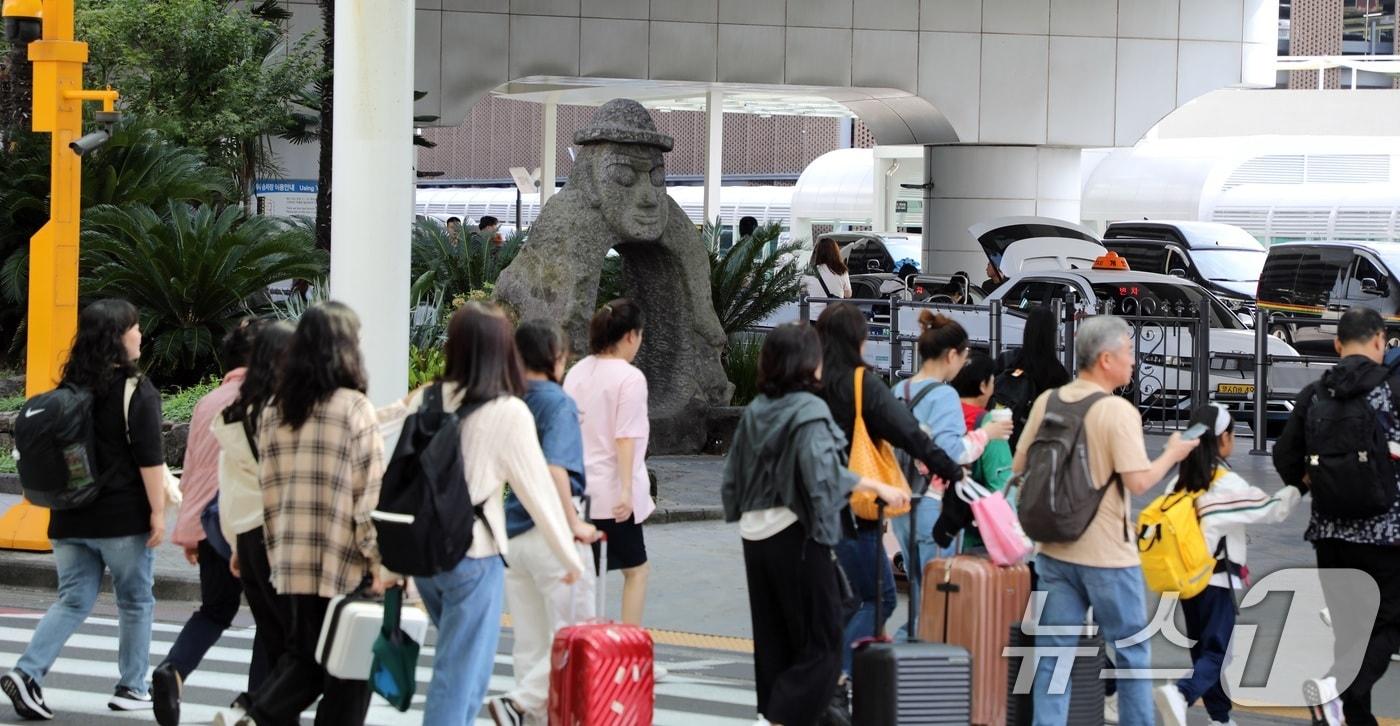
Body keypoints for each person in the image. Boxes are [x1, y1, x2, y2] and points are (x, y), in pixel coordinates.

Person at [722, 323, 912, 726]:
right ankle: (777, 717)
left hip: (755, 532)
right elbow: (820, 471)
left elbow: (733, 476)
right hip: (796, 533)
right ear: (808, 362)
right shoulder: (809, 408)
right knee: (823, 642)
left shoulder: (758, 407)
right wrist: (873, 484)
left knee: (775, 638)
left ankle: (774, 712)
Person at [1016, 314, 1198, 726]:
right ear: (1105, 360)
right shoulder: (1117, 411)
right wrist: (1172, 453)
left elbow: (1020, 464)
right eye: (1128, 352)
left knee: (1053, 658)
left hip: (1053, 551)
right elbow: (1138, 483)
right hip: (1108, 558)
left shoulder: (1049, 401)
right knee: (1133, 652)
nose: (1133, 361)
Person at [213, 302, 385, 726]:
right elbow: (368, 496)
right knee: (349, 675)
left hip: (291, 564)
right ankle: (256, 715)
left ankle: (254, 714)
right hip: (344, 561)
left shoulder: (275, 412)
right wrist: (379, 561)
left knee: (307, 661)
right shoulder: (353, 408)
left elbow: (269, 494)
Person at [2, 299, 165, 720]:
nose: (140, 334)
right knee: (135, 601)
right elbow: (150, 459)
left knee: (73, 600)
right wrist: (159, 513)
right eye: (134, 327)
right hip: (121, 520)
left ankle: (28, 671)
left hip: (67, 519)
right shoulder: (136, 389)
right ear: (118, 336)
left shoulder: (67, 390)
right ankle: (132, 686)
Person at [812, 302, 964, 697]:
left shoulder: (810, 381)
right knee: (875, 596)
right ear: (858, 339)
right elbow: (910, 434)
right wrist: (952, 470)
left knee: (839, 601)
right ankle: (833, 678)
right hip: (852, 508)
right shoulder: (862, 383)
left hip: (804, 508)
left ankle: (840, 677)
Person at [1273, 306, 1400, 726]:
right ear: (1380, 341)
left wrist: (1314, 484)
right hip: (1387, 536)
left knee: (1350, 633)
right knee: (1389, 624)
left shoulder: (1315, 394)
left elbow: (1285, 455)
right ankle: (1336, 689)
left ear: (1337, 344)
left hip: (1329, 534)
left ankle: (1346, 716)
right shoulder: (1393, 391)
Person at [1155, 404, 1300, 726]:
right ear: (1224, 439)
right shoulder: (1223, 484)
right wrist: (1300, 486)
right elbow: (1272, 509)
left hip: (1186, 582)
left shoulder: (1178, 481)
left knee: (1204, 650)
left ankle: (1220, 718)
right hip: (1216, 583)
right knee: (1218, 653)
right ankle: (1182, 694)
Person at [487, 319, 601, 726]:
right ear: (554, 357)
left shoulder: (507, 400)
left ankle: (527, 714)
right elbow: (556, 470)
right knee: (576, 634)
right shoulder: (557, 401)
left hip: (513, 535)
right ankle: (519, 703)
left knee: (531, 645)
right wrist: (574, 525)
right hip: (549, 532)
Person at [151, 319, 265, 726]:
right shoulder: (269, 399)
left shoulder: (208, 401)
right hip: (253, 528)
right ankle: (256, 706)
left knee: (215, 610)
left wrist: (190, 533)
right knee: (271, 621)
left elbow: (195, 468)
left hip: (211, 525)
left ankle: (173, 670)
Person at [890, 313, 1011, 634]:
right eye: (964, 355)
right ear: (951, 355)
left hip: (901, 504)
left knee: (920, 589)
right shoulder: (943, 396)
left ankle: (907, 663)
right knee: (936, 595)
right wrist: (989, 434)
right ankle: (916, 661)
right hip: (934, 506)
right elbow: (951, 454)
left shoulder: (898, 390)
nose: (964, 364)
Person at [212, 320, 296, 726]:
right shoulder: (285, 414)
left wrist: (233, 545)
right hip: (282, 538)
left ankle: (261, 712)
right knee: (298, 652)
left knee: (276, 640)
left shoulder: (236, 412)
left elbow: (229, 488)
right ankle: (257, 714)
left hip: (247, 535)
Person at [563, 300, 656, 634]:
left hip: (577, 492)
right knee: (637, 571)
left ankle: (576, 646)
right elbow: (625, 437)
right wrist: (628, 490)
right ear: (630, 336)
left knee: (584, 576)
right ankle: (627, 650)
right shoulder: (630, 378)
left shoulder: (577, 372)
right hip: (614, 494)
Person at [947, 352, 1015, 551]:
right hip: (975, 537)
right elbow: (1002, 484)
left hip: (939, 524)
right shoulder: (989, 425)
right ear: (984, 386)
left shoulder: (942, 415)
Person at [995, 304, 1071, 451]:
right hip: (1035, 444)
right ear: (1052, 334)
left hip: (1001, 435)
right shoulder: (1057, 373)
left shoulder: (1007, 359)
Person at [803, 237, 852, 319]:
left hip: (814, 317)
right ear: (836, 252)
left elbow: (802, 291)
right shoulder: (842, 271)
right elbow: (848, 294)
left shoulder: (809, 272)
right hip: (834, 317)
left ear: (818, 253)